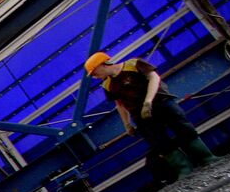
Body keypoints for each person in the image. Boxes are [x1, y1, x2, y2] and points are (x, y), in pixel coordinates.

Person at [84, 52, 215, 183]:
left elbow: (154, 78)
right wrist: (127, 124)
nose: (95, 77)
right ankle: (184, 169)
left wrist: (148, 102)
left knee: (183, 129)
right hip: (140, 115)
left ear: (102, 65)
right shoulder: (108, 85)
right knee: (159, 141)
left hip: (161, 102)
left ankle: (206, 158)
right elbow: (119, 104)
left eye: (94, 73)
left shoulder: (134, 64)